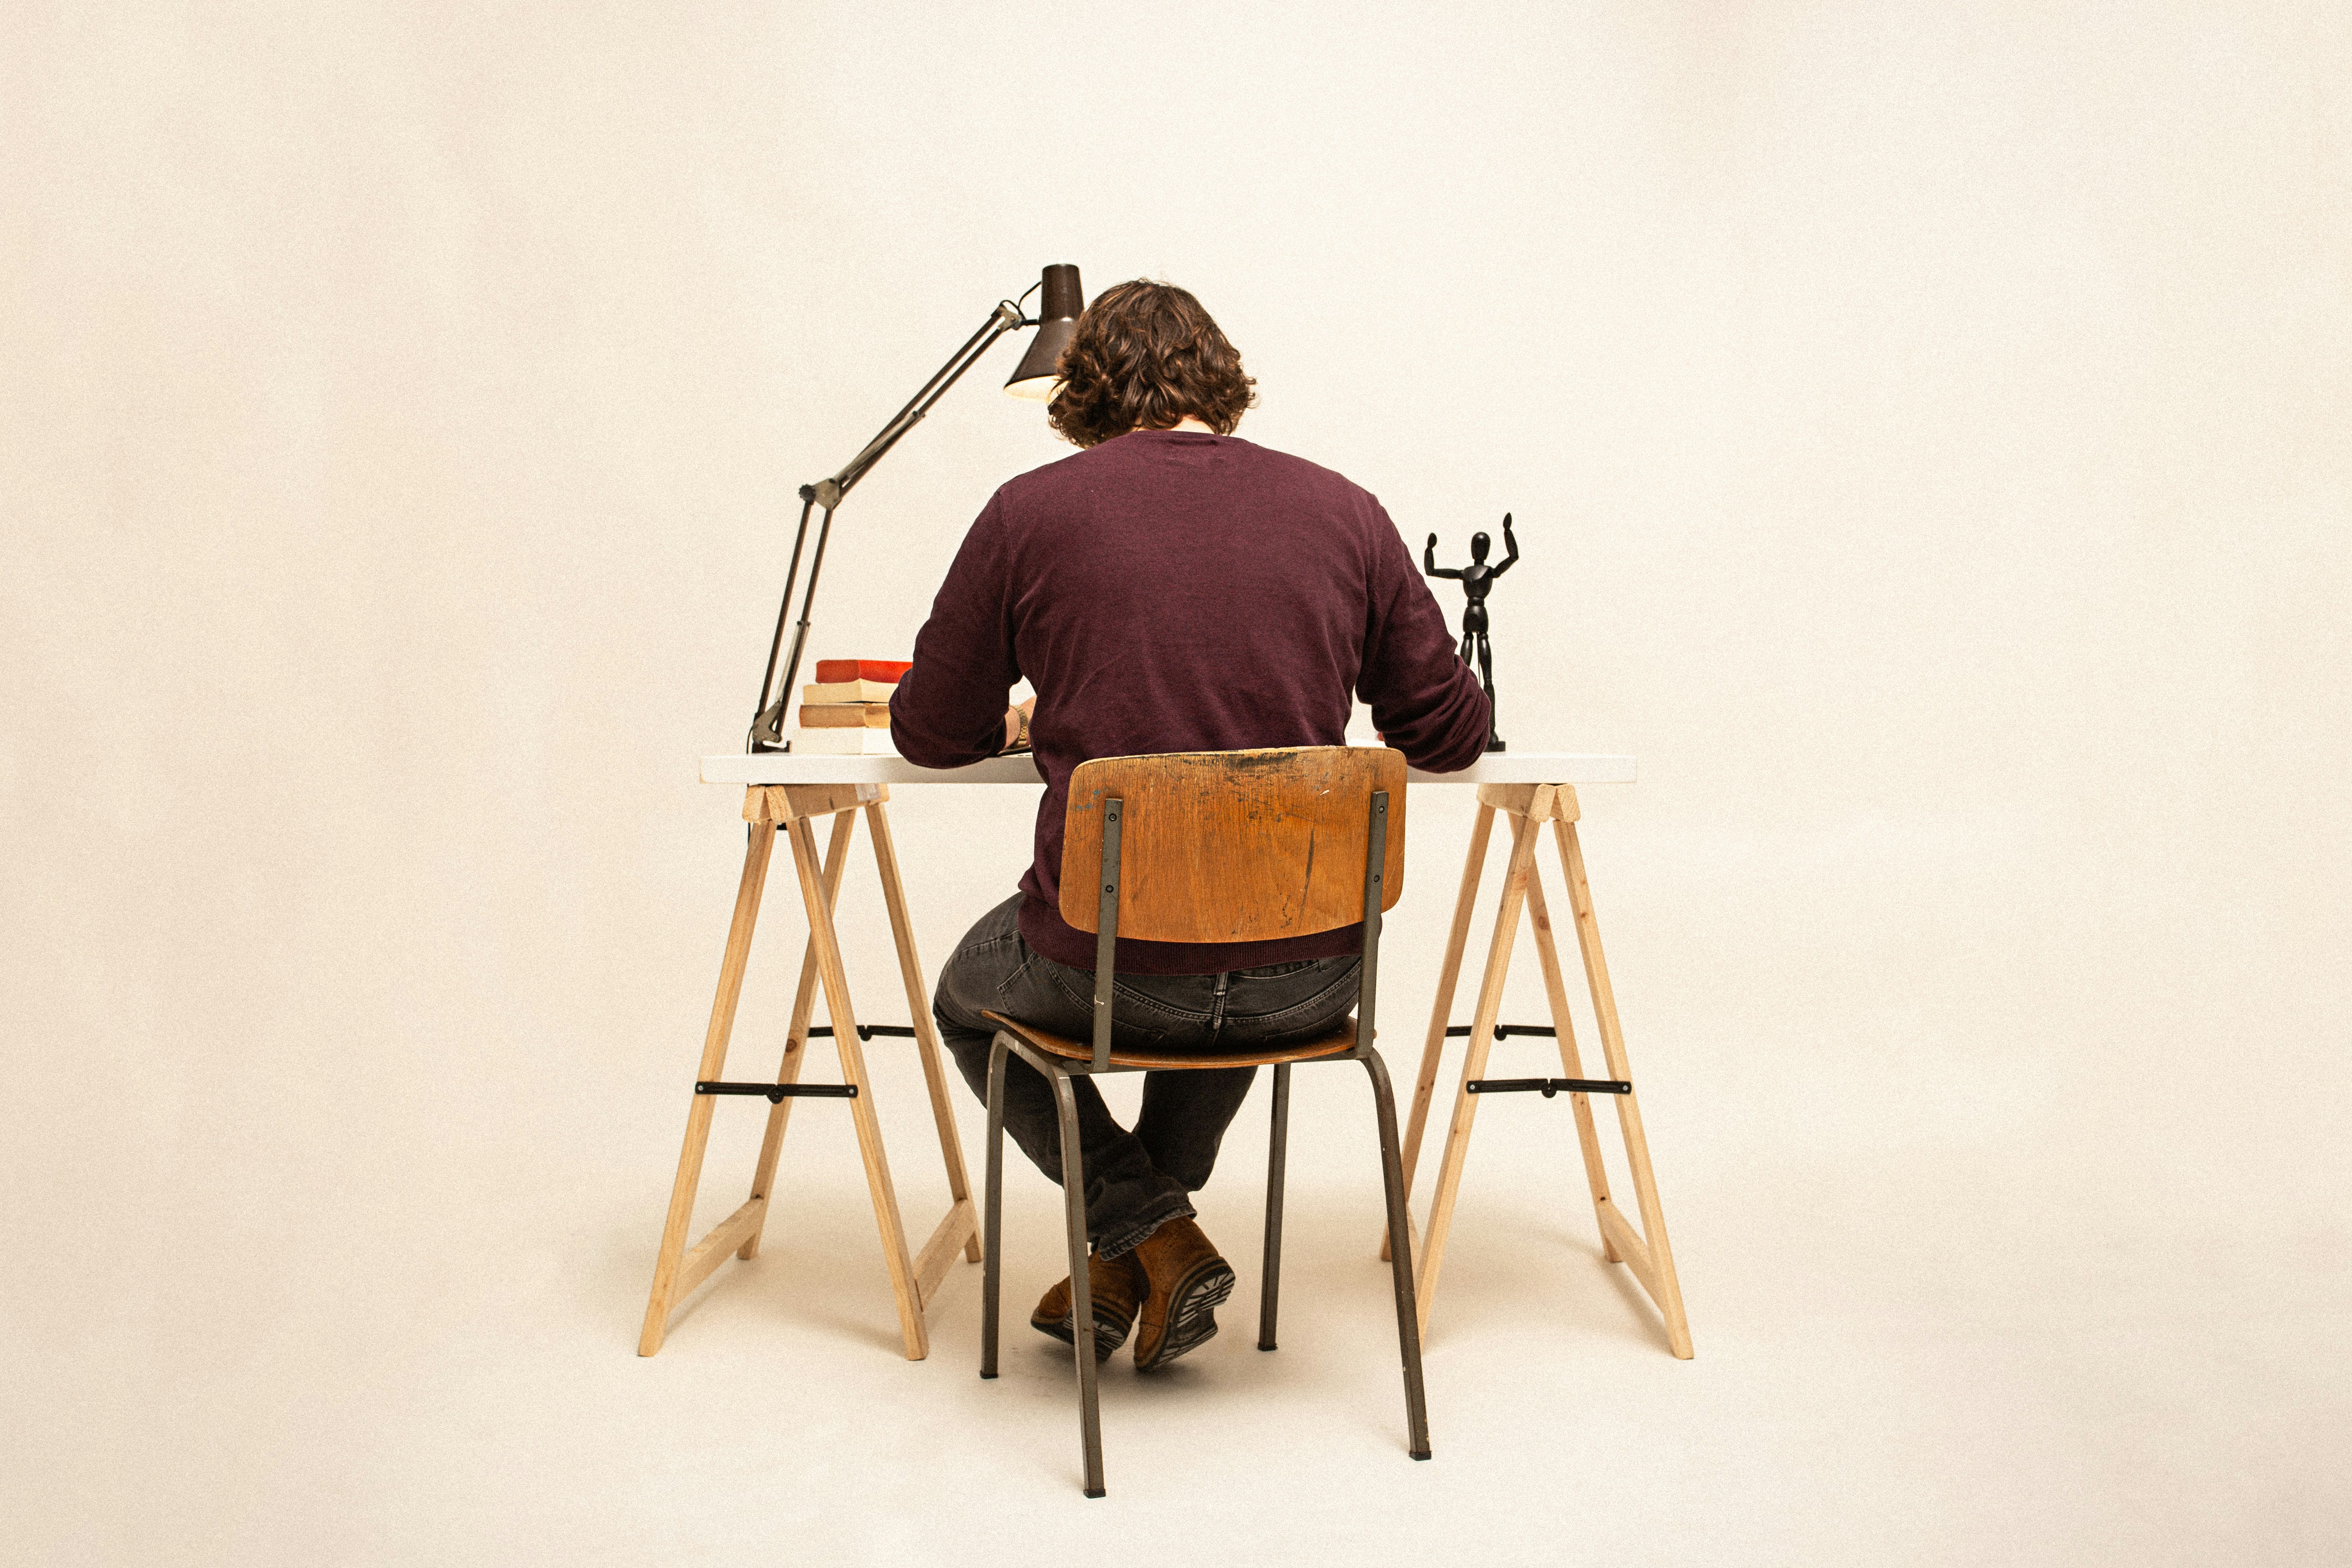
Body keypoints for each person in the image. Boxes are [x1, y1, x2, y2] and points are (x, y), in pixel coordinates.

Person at [890, 280, 1490, 1372]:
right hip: (1311, 975)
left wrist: (1024, 713)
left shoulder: (1030, 512)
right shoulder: (1344, 509)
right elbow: (1445, 735)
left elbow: (930, 731)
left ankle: (1147, 1230)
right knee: (1234, 926)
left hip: (1111, 972)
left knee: (967, 999)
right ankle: (1142, 1249)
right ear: (1219, 378)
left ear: (1081, 392)